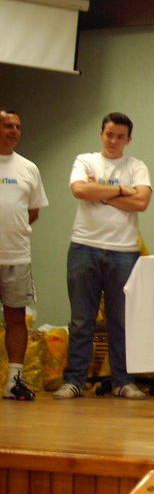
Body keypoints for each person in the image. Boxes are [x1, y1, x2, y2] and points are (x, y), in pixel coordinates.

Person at [55, 113, 152, 400]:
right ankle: (74, 381)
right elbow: (79, 189)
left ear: (128, 140)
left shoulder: (136, 166)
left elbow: (142, 201)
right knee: (81, 320)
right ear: (101, 134)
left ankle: (123, 381)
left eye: (120, 136)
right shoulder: (85, 161)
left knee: (120, 321)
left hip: (124, 251)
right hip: (84, 247)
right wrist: (121, 190)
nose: (113, 140)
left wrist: (99, 192)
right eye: (109, 134)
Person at [0, 109, 49, 401]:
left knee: (16, 318)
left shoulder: (28, 168)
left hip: (16, 257)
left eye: (18, 126)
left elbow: (33, 212)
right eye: (8, 126)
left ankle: (13, 380)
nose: (14, 131)